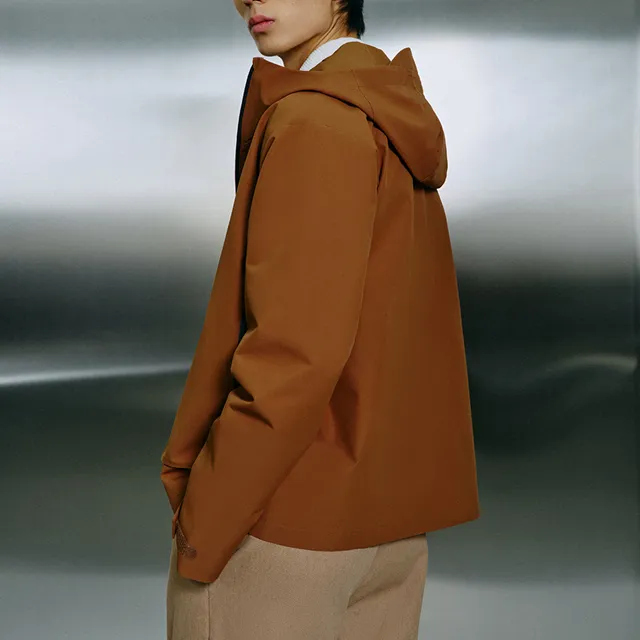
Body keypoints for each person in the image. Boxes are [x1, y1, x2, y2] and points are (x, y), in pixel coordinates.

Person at [160, 1, 481, 638]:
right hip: (386, 530)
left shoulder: (315, 119)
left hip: (283, 529)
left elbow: (294, 354)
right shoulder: (385, 109)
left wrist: (207, 516)